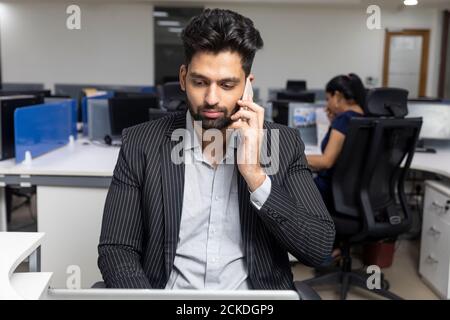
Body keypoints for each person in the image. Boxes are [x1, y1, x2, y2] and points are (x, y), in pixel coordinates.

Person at [98, 8, 335, 290]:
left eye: (227, 84)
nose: (211, 98)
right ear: (183, 78)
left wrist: (256, 177)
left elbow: (319, 249)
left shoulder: (283, 144)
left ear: (248, 85)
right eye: (200, 82)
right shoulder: (141, 143)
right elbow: (117, 250)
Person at [307, 74, 366, 215]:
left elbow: (326, 161)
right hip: (352, 196)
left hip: (328, 193)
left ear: (338, 96)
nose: (327, 104)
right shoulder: (363, 118)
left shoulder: (344, 119)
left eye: (328, 99)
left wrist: (290, 158)